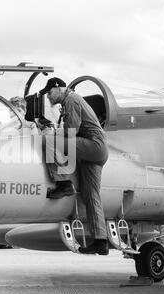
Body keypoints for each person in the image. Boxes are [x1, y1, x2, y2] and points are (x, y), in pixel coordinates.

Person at [39, 77, 109, 255]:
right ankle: (101, 241)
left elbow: (71, 132)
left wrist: (50, 131)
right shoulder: (71, 100)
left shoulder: (71, 99)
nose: (48, 97)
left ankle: (63, 184)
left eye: (49, 93)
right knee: (90, 194)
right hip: (96, 151)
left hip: (93, 145)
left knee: (49, 141)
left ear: (59, 88)